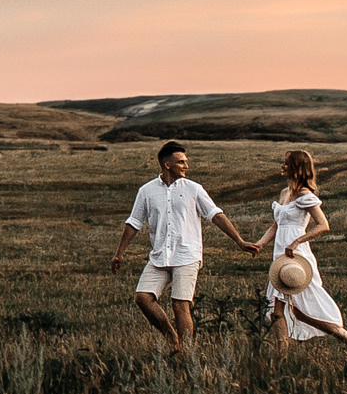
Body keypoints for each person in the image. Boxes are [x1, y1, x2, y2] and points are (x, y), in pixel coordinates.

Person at [107, 139, 262, 353]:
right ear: (167, 164)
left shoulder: (194, 189)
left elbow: (216, 215)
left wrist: (240, 241)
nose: (186, 166)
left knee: (180, 304)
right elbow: (134, 223)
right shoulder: (146, 191)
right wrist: (119, 254)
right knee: (142, 298)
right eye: (181, 162)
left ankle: (187, 354)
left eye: (186, 161)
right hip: (160, 256)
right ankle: (171, 336)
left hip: (187, 255)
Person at [263, 148, 347, 356]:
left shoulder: (304, 195)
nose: (282, 166)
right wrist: (259, 244)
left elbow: (323, 225)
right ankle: (281, 353)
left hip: (296, 256)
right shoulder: (285, 194)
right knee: (277, 308)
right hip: (280, 255)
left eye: (286, 163)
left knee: (300, 309)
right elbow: (276, 225)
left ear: (296, 168)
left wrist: (296, 241)